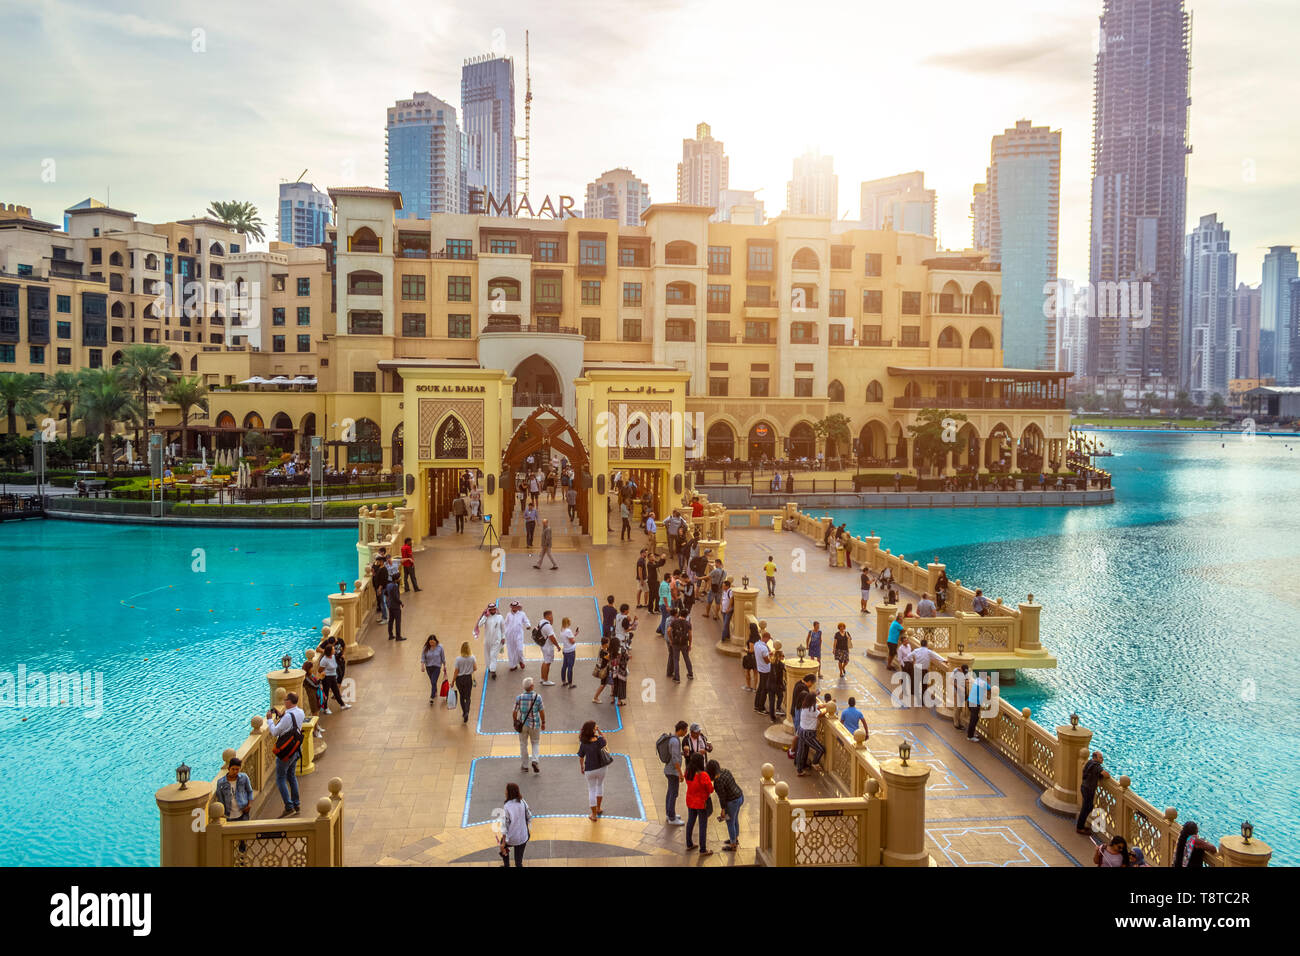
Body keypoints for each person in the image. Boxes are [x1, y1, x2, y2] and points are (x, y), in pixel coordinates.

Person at [267, 692, 305, 817]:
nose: (284, 701)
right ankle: (296, 803)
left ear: (289, 701)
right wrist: (281, 716)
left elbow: (274, 732)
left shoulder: (288, 717)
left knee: (280, 778)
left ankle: (289, 807)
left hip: (285, 752)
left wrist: (269, 720)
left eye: (285, 700)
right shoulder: (300, 712)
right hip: (295, 749)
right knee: (292, 776)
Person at [708, 759, 744, 851]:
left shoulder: (717, 782)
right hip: (740, 796)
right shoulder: (725, 771)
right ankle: (735, 839)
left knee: (730, 823)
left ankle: (733, 845)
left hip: (732, 802)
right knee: (735, 819)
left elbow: (722, 797)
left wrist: (723, 809)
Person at [683, 752, 714, 856]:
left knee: (690, 822)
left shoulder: (688, 772)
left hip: (690, 801)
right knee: (702, 825)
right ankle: (703, 849)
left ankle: (689, 843)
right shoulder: (703, 775)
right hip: (701, 804)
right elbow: (710, 789)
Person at [577, 720, 609, 821]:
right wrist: (599, 730)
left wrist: (582, 767)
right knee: (599, 786)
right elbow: (605, 740)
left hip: (590, 769)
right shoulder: (599, 740)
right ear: (593, 729)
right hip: (602, 768)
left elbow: (581, 757)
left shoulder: (584, 743)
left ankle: (593, 814)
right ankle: (599, 808)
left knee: (592, 789)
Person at [513, 677, 546, 773]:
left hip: (523, 724)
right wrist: (543, 722)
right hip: (535, 724)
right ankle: (535, 760)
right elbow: (541, 711)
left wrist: (515, 721)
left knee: (523, 744)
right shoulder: (537, 697)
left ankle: (524, 766)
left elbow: (514, 712)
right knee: (535, 742)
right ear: (531, 686)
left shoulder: (519, 697)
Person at [1076, 751, 1111, 832]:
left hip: (1084, 787)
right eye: (1100, 758)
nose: (1102, 759)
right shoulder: (1096, 765)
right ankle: (1080, 827)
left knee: (1088, 807)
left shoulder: (1089, 762)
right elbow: (1106, 775)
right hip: (1088, 789)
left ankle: (1081, 826)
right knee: (1087, 808)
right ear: (1095, 758)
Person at [499, 782, 532, 867]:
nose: (505, 791)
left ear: (509, 792)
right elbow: (529, 816)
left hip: (512, 837)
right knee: (518, 862)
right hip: (523, 836)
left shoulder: (507, 806)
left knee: (503, 847)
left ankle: (506, 865)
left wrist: (503, 841)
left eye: (506, 790)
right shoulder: (522, 801)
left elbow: (505, 824)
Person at [662, 720, 688, 825]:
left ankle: (669, 813)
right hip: (672, 772)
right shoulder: (675, 742)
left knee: (670, 792)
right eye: (685, 730)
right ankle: (672, 818)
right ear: (680, 730)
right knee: (673, 793)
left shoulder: (673, 739)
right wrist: (680, 774)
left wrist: (682, 753)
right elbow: (675, 759)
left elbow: (675, 754)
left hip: (669, 770)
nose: (686, 733)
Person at [794, 692, 826, 776]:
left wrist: (826, 704)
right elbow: (821, 714)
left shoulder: (805, 706)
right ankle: (815, 763)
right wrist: (828, 709)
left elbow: (819, 706)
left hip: (802, 731)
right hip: (808, 734)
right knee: (820, 749)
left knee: (802, 751)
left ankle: (800, 770)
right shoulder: (811, 709)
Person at [909, 638, 946, 709]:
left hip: (917, 669)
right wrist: (944, 660)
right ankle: (922, 701)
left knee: (917, 685)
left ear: (920, 644)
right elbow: (937, 656)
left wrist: (914, 661)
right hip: (924, 671)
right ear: (926, 645)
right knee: (924, 686)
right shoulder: (928, 651)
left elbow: (908, 656)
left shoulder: (916, 650)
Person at [214, 756, 253, 821]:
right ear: (228, 768)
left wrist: (249, 805)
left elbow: (250, 791)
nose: (235, 771)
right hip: (229, 816)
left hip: (243, 813)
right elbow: (220, 800)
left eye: (237, 769)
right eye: (233, 769)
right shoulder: (221, 783)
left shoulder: (244, 777)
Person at [317, 640, 350, 712]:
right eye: (333, 649)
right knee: (326, 693)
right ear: (329, 651)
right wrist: (324, 673)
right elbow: (319, 670)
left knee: (336, 692)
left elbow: (339, 656)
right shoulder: (324, 660)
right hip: (326, 678)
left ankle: (342, 705)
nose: (334, 650)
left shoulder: (333, 656)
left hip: (333, 676)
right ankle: (325, 708)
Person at [476, 602, 506, 679]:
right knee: (487, 655)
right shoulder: (486, 617)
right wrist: (485, 616)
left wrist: (503, 637)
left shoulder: (500, 617)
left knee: (493, 655)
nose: (493, 610)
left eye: (494, 609)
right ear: (489, 610)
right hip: (487, 640)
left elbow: (503, 628)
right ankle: (489, 667)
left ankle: (493, 671)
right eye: (491, 609)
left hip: (497, 640)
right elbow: (479, 624)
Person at [667, 606, 695, 682]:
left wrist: (671, 640)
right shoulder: (688, 624)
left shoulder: (674, 621)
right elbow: (690, 635)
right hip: (684, 643)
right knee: (686, 658)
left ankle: (677, 678)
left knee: (676, 660)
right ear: (686, 616)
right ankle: (690, 674)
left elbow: (669, 630)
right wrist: (690, 645)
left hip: (675, 643)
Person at [504, 600, 531, 671]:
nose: (514, 608)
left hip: (519, 634)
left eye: (515, 607)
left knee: (519, 649)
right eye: (513, 607)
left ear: (518, 607)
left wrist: (528, 625)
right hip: (509, 635)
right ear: (511, 607)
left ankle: (521, 661)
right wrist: (504, 634)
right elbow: (505, 624)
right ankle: (513, 665)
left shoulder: (522, 614)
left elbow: (526, 621)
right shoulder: (508, 615)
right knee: (511, 650)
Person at [453, 642, 476, 724]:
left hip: (459, 679)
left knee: (462, 696)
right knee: (468, 697)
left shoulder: (458, 659)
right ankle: (467, 711)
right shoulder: (472, 658)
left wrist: (453, 681)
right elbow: (475, 668)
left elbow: (456, 671)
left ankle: (464, 712)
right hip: (468, 678)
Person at [420, 634, 445, 705]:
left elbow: (443, 657)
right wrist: (422, 666)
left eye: (433, 643)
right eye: (430, 643)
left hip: (437, 667)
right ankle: (435, 690)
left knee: (433, 681)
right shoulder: (425, 648)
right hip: (428, 667)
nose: (431, 644)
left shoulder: (440, 647)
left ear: (435, 641)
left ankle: (432, 696)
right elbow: (423, 657)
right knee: (432, 681)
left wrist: (444, 665)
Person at [965, 666, 989, 740]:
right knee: (973, 720)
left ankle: (971, 734)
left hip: (969, 702)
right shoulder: (984, 683)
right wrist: (988, 681)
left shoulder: (977, 680)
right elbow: (990, 689)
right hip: (975, 704)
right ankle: (970, 736)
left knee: (975, 718)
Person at [752, 630, 773, 715]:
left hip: (760, 668)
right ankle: (761, 707)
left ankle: (756, 705)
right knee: (764, 689)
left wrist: (768, 652)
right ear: (765, 638)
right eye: (768, 639)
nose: (768, 641)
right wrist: (771, 658)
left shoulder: (757, 644)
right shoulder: (763, 648)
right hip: (765, 670)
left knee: (760, 687)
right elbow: (767, 661)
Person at [385, 575, 405, 641]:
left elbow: (386, 594)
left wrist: (388, 602)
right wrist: (401, 602)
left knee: (391, 621)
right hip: (395, 606)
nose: (400, 578)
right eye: (399, 577)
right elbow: (395, 597)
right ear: (396, 579)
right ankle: (398, 636)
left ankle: (390, 635)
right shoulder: (395, 586)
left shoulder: (388, 585)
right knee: (398, 621)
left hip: (390, 606)